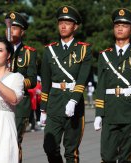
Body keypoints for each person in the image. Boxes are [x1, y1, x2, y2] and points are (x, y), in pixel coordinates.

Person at [94, 8, 131, 163]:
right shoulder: (104, 55)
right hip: (110, 111)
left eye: (124, 25)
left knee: (127, 158)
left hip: (130, 112)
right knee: (107, 157)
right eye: (117, 25)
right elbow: (101, 86)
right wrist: (99, 112)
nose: (120, 28)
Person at [40, 5, 92, 163]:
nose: (63, 26)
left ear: (75, 26)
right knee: (49, 147)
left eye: (67, 23)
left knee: (71, 151)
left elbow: (82, 79)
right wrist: (43, 108)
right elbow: (46, 81)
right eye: (60, 22)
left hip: (74, 104)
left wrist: (74, 99)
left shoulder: (83, 50)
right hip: (54, 102)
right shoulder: (49, 51)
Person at [5, 11, 37, 162]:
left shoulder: (29, 53)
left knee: (14, 141)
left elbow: (32, 81)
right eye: (8, 27)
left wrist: (15, 82)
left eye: (15, 27)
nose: (10, 30)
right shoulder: (0, 49)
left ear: (22, 32)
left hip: (19, 103)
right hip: (0, 103)